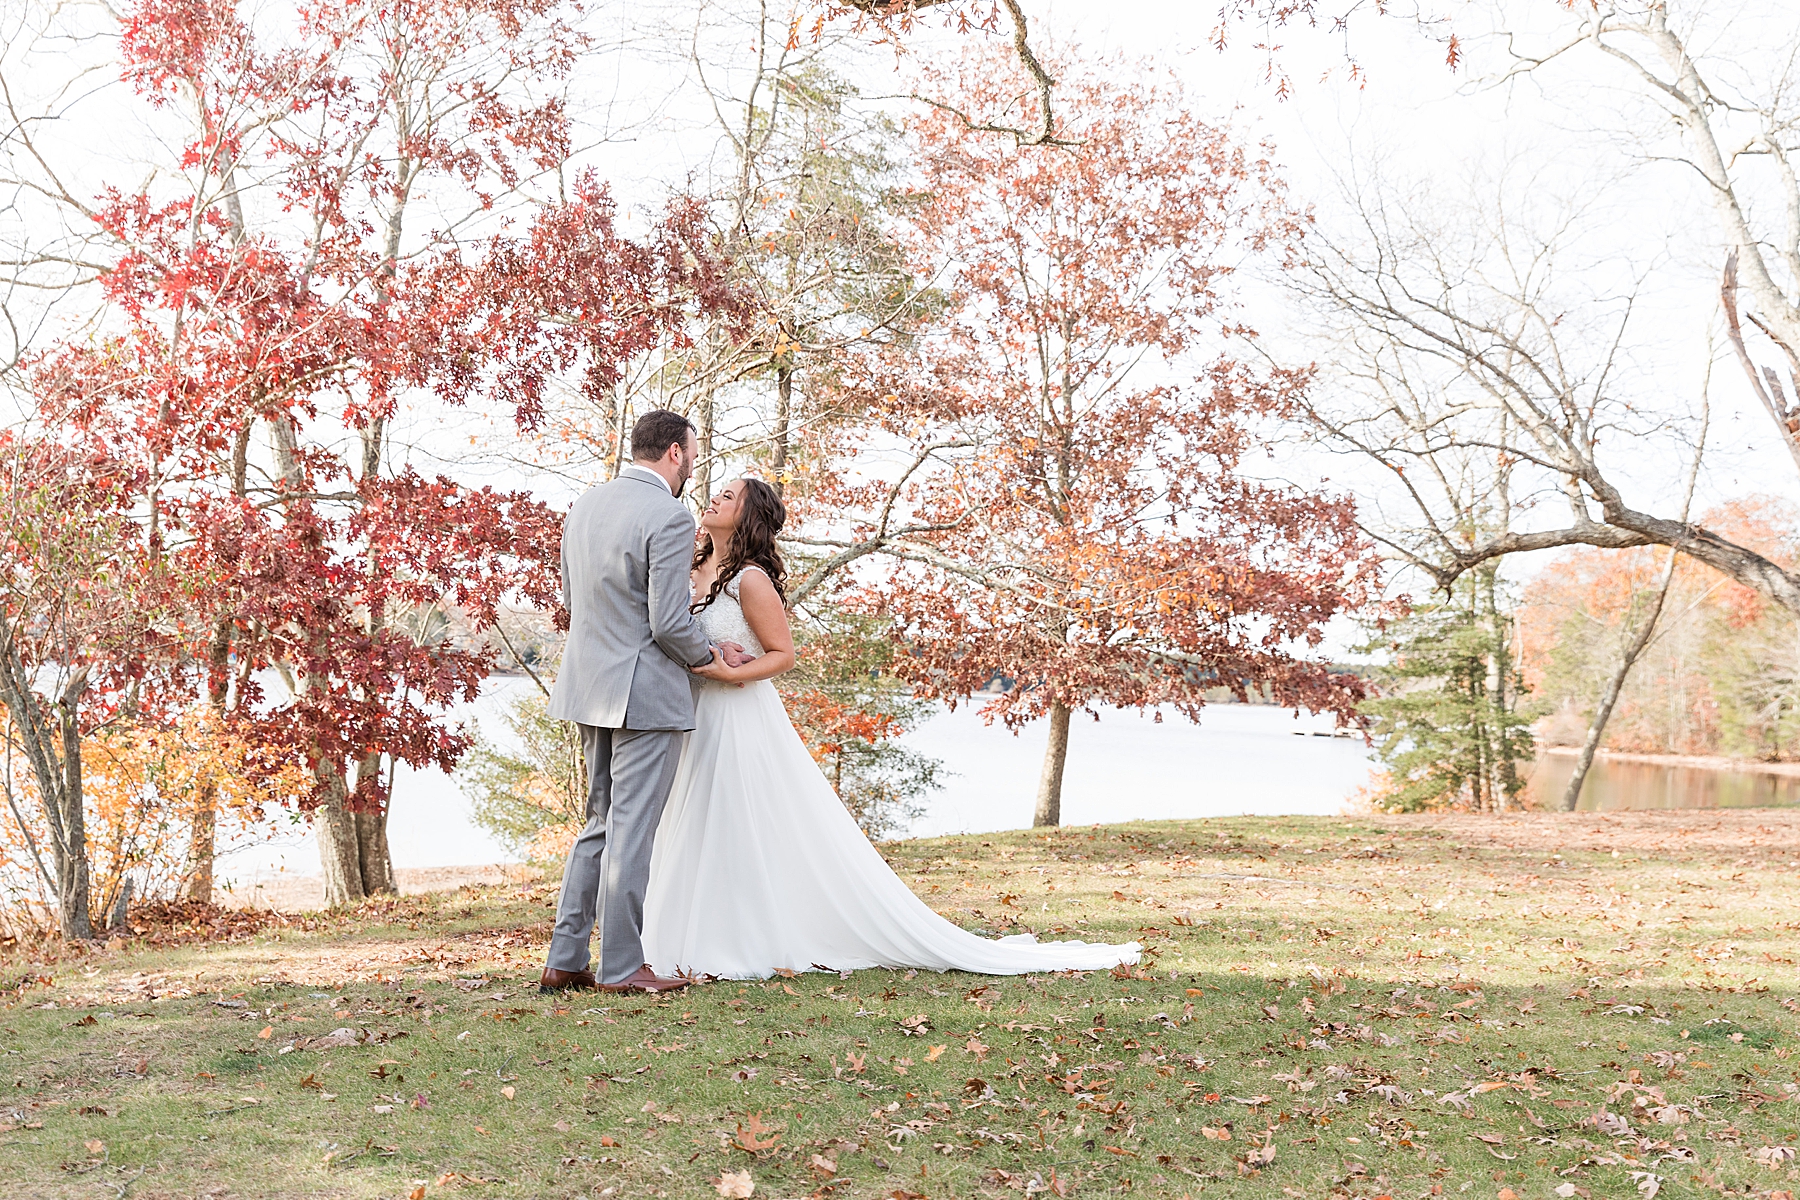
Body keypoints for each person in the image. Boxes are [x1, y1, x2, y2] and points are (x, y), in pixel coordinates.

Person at [641, 476, 1140, 979]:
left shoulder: (750, 579)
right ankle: (675, 939)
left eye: (728, 496)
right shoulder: (693, 567)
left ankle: (733, 943)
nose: (714, 499)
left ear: (747, 516)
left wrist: (730, 671)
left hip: (737, 717)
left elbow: (782, 655)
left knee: (731, 824)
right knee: (688, 822)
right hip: (693, 714)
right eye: (718, 492)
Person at [538, 411, 744, 995]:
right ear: (676, 453)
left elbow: (574, 601)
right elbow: (668, 623)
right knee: (632, 831)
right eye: (693, 453)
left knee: (598, 824)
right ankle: (623, 967)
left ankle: (565, 958)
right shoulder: (669, 516)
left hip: (587, 685)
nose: (694, 463)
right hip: (645, 694)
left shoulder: (584, 506)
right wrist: (712, 657)